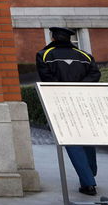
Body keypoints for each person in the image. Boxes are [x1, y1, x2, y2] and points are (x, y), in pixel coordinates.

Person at [35, 26, 101, 195]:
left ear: (53, 37)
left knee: (73, 142)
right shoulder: (85, 56)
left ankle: (88, 182)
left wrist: (66, 91)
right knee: (87, 138)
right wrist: (79, 89)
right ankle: (90, 172)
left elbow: (48, 79)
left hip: (62, 104)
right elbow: (95, 75)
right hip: (85, 102)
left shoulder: (44, 55)